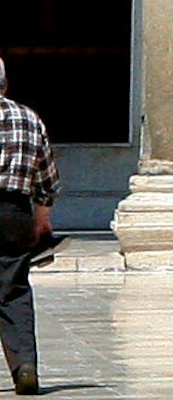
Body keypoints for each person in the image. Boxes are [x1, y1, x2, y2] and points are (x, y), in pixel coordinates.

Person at [0, 56, 53, 396]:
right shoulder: (29, 118)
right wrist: (41, 219)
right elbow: (46, 179)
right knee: (14, 290)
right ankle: (25, 367)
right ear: (4, 84)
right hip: (14, 210)